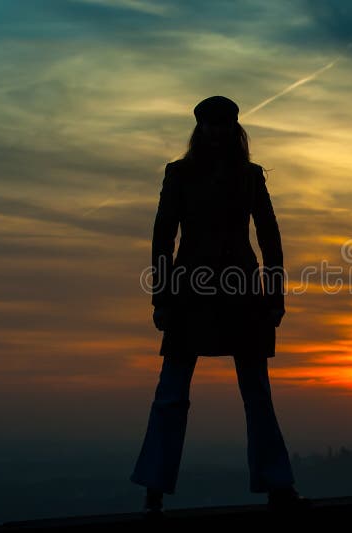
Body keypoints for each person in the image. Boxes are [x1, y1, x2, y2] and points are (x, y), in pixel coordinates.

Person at [130, 95, 308, 517]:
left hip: (241, 295)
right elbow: (163, 238)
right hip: (190, 294)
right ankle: (154, 487)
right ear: (201, 128)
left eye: (221, 124)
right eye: (209, 124)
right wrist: (161, 298)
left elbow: (270, 237)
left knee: (256, 393)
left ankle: (277, 484)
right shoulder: (179, 174)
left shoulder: (250, 177)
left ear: (232, 128)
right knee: (172, 393)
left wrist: (275, 297)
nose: (215, 131)